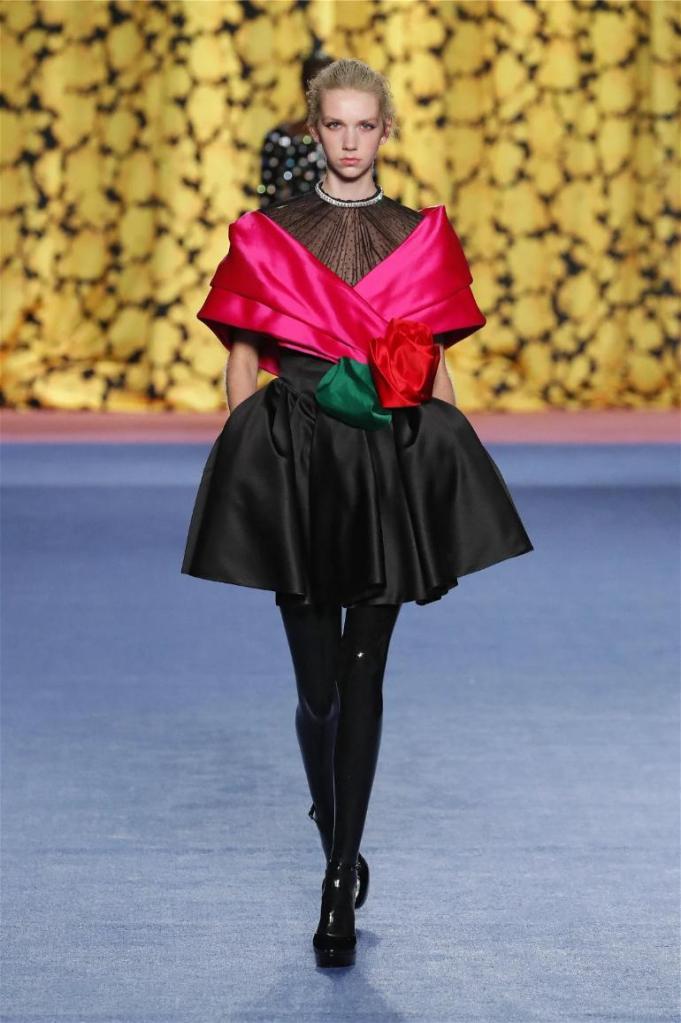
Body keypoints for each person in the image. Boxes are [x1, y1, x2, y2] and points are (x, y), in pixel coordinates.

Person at [181, 58, 534, 968]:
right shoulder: (270, 233)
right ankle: (330, 816)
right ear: (315, 131)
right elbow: (242, 358)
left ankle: (337, 876)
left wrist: (441, 474)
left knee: (363, 673)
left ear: (385, 131)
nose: (348, 140)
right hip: (295, 459)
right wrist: (248, 463)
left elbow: (435, 367)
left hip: (384, 462)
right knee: (318, 689)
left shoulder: (418, 237)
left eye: (363, 125)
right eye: (333, 125)